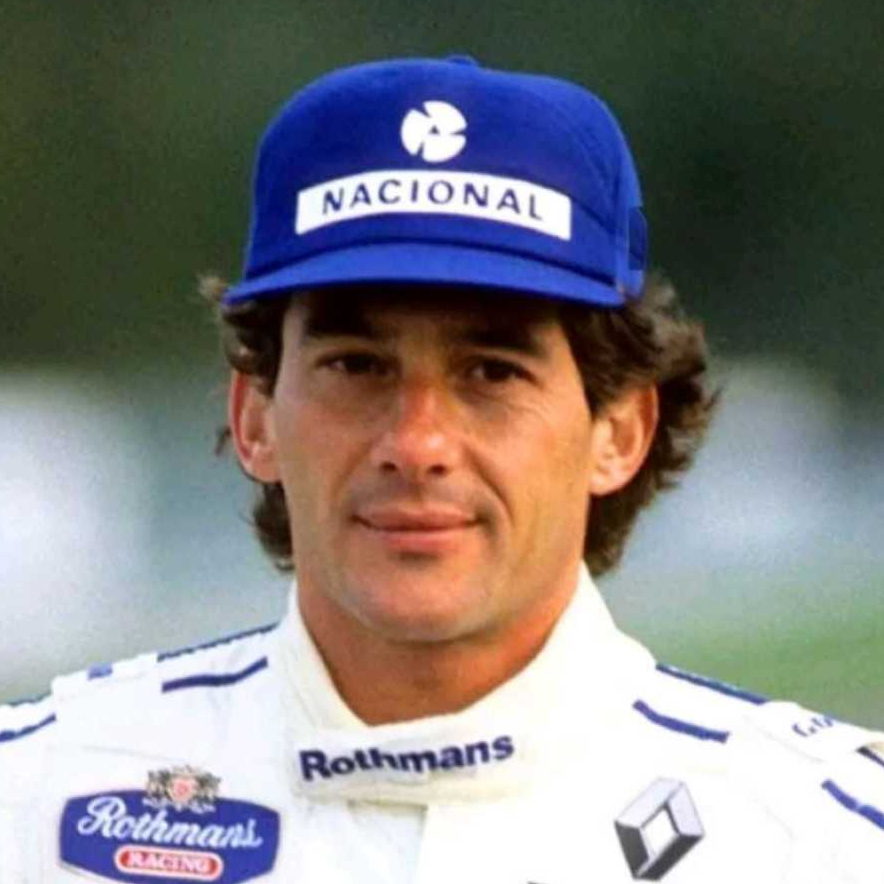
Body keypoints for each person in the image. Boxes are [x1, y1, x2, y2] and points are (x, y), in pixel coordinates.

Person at [1, 55, 882, 883]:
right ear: (255, 417)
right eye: (357, 366)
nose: (418, 442)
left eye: (492, 373)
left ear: (619, 430)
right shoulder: (33, 806)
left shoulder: (827, 841)